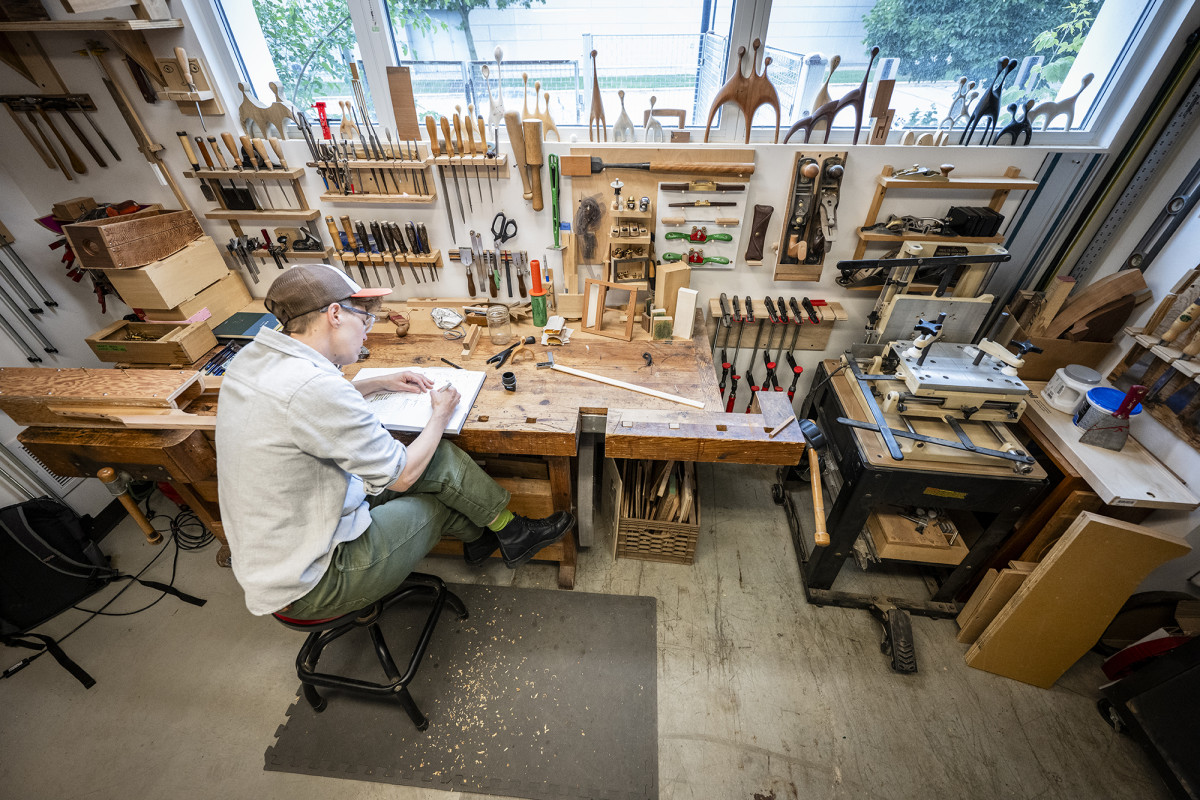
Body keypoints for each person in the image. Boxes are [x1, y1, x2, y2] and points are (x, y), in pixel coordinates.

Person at [215, 264, 573, 619]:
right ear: (335, 315)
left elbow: (301, 406)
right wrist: (439, 414)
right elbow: (401, 476)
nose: (368, 332)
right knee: (438, 499)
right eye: (364, 319)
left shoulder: (254, 360)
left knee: (440, 457)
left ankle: (507, 533)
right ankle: (490, 538)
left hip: (312, 527)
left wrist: (377, 382)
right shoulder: (314, 389)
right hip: (312, 580)